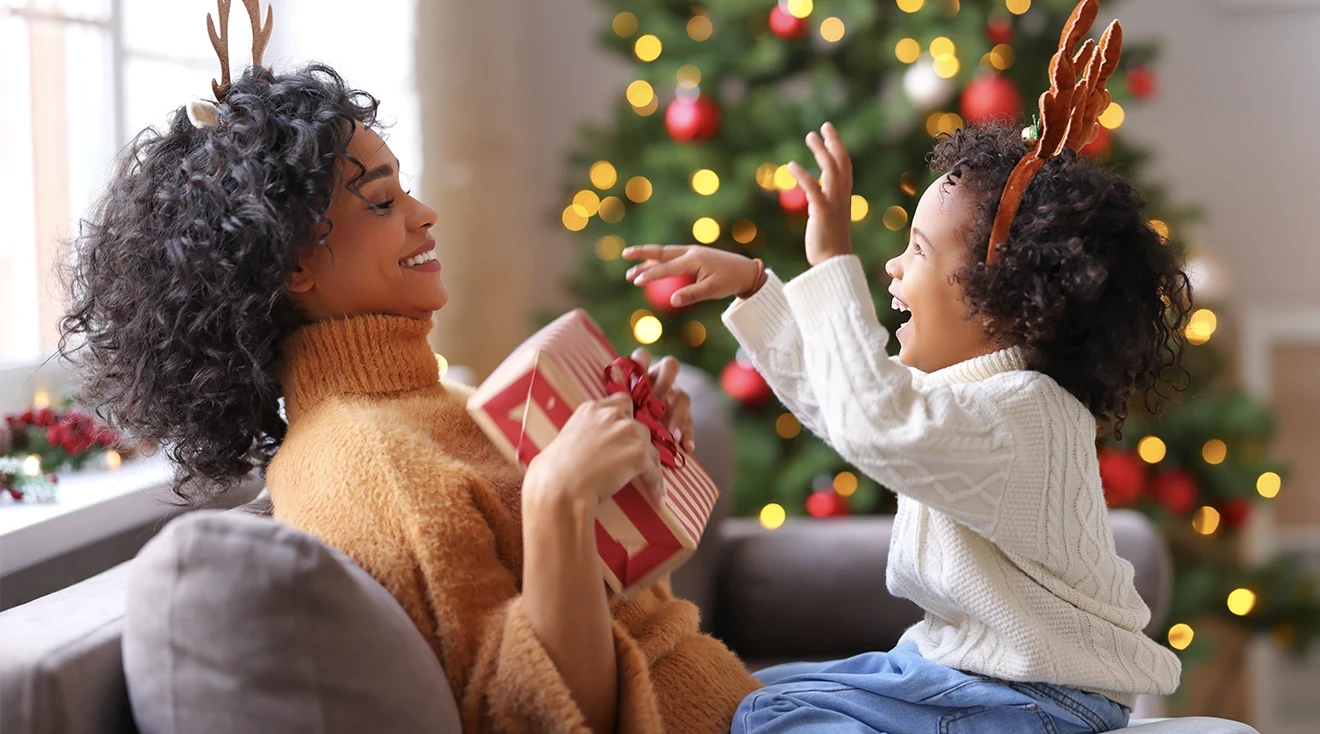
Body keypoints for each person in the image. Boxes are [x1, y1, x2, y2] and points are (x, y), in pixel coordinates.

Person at [59, 3, 759, 732]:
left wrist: (633, 475)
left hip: (767, 701)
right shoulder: (368, 467)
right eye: (384, 200)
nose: (425, 214)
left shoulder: (440, 401)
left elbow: (637, 627)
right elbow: (533, 717)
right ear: (290, 263)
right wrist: (556, 499)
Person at [622, 3, 1186, 730]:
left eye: (918, 251)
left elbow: (873, 422)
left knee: (772, 722)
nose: (892, 268)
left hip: (1039, 697)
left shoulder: (1024, 415)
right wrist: (759, 289)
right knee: (762, 693)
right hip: (956, 668)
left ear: (999, 299)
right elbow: (843, 403)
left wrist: (832, 262)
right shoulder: (962, 398)